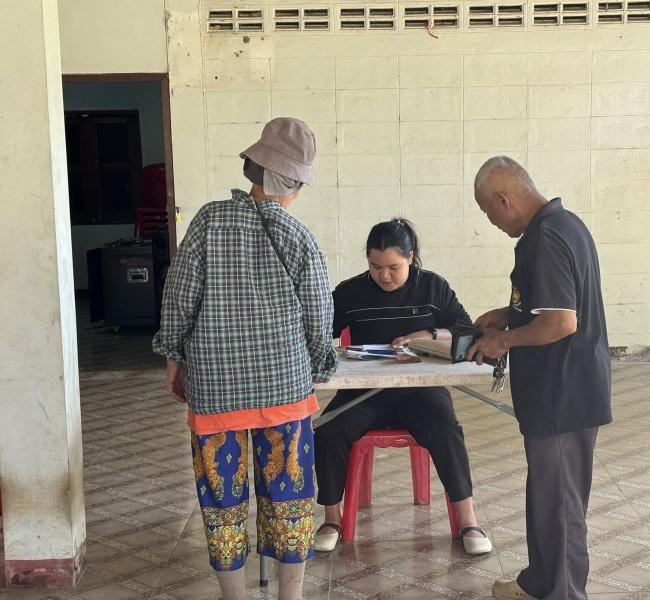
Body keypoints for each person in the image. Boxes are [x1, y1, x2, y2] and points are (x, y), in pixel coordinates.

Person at [152, 117, 338, 600]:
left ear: (252, 169)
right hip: (285, 392)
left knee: (222, 503)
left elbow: (179, 297)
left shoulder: (208, 222)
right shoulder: (299, 236)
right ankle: (290, 595)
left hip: (216, 392)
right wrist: (319, 365)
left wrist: (174, 357)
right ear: (295, 184)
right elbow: (319, 314)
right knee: (290, 499)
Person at [467, 156, 612, 600]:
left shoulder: (547, 236)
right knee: (548, 496)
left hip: (562, 391)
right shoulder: (564, 224)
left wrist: (504, 340)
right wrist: (507, 314)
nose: (492, 223)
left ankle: (563, 593)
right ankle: (540, 583)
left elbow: (561, 322)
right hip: (562, 388)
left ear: (503, 199)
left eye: (488, 213)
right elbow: (552, 304)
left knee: (561, 504)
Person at [312, 218, 492, 556]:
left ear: (410, 258)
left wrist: (429, 334)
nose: (384, 275)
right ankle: (332, 520)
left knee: (446, 429)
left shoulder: (433, 288)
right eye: (375, 266)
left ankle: (468, 521)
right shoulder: (350, 292)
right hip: (363, 395)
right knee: (328, 429)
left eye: (393, 267)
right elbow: (319, 332)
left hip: (421, 392)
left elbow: (468, 332)